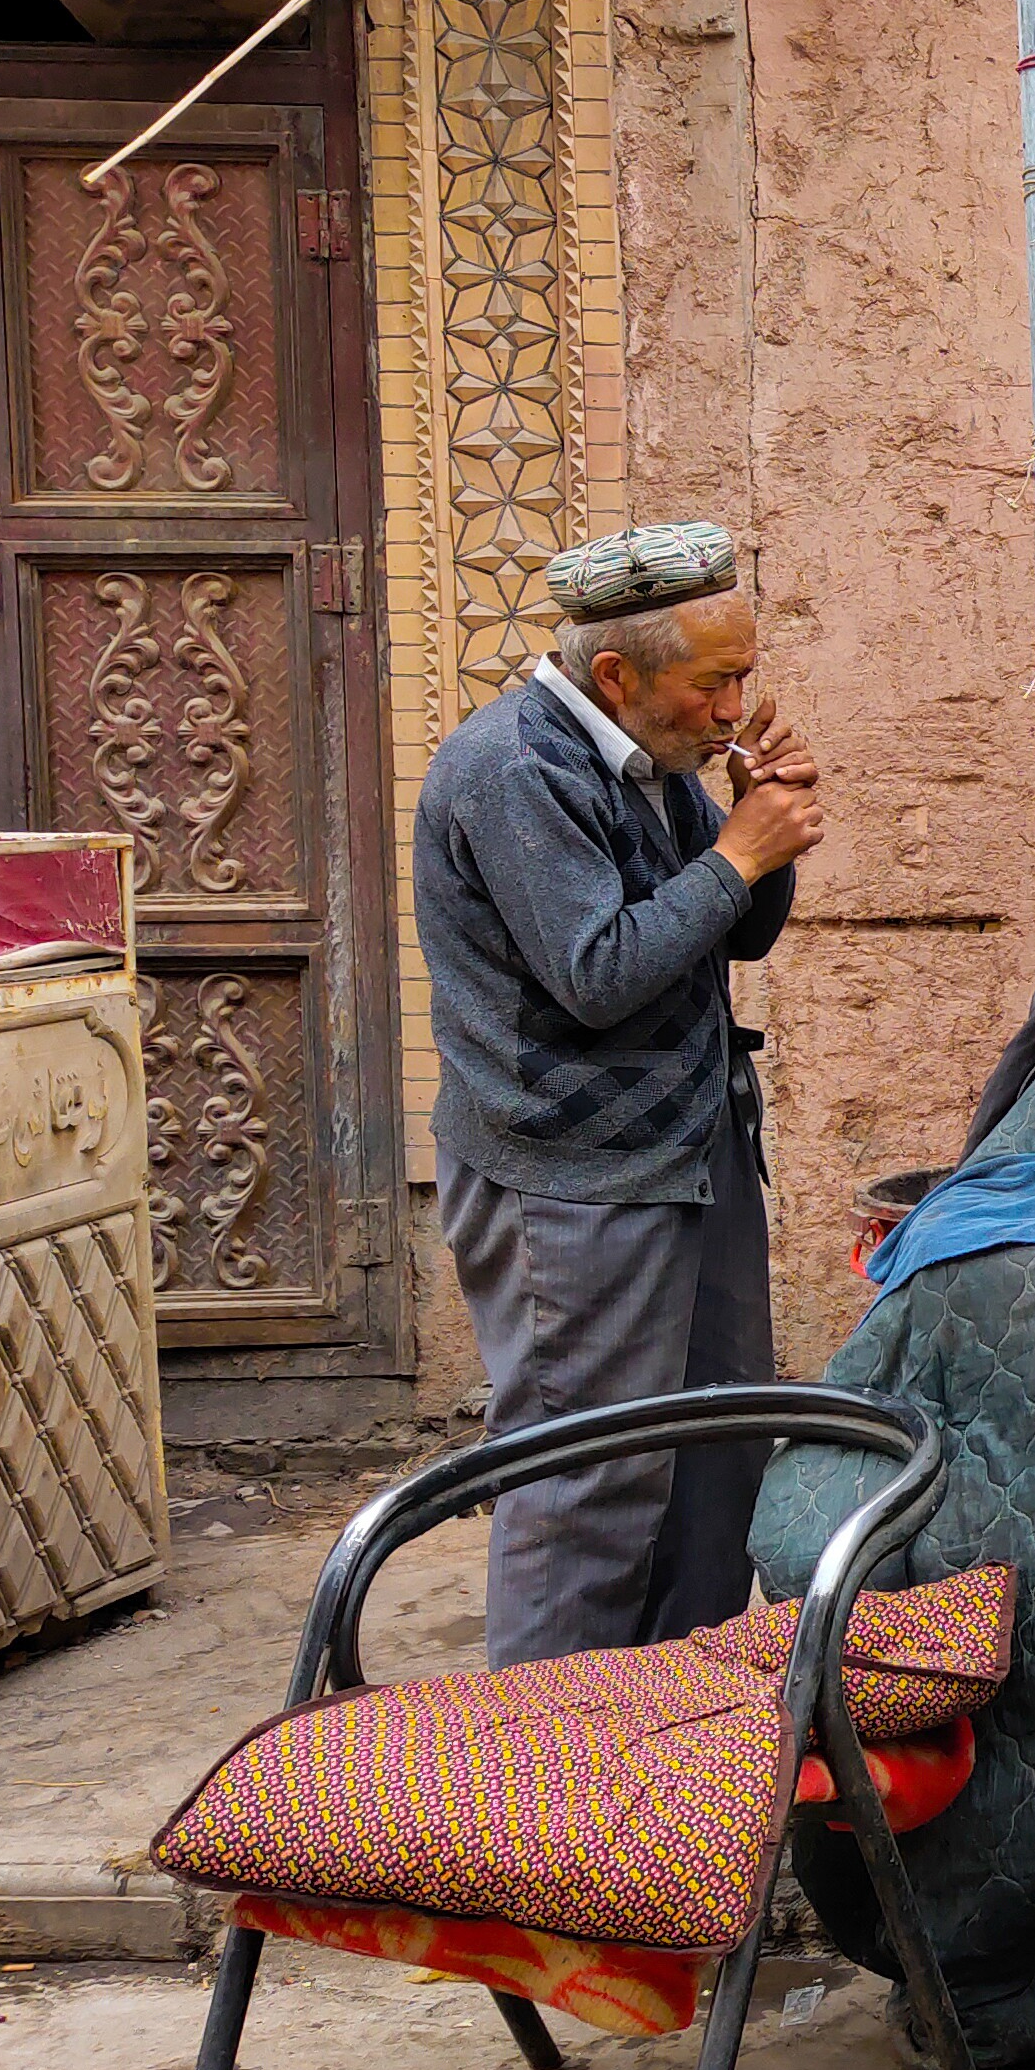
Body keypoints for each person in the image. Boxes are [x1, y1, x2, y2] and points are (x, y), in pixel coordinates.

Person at [412, 520, 825, 1666]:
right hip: (573, 1186)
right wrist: (738, 851)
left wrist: (763, 831)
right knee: (585, 1486)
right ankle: (539, 1791)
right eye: (716, 683)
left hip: (687, 1150)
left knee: (714, 1465)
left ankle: (660, 1746)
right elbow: (598, 975)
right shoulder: (513, 769)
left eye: (743, 676)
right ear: (614, 674)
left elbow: (729, 938)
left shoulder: (659, 757)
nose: (736, 707)